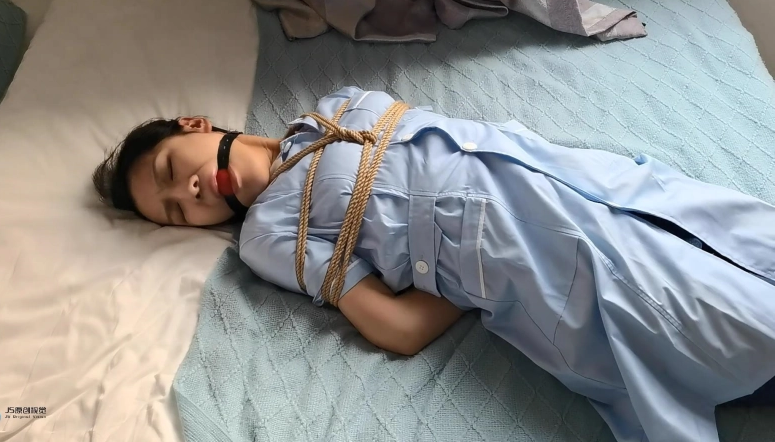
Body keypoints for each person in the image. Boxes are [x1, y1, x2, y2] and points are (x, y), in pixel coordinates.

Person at [93, 87, 775, 442]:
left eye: (171, 171)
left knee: (727, 237)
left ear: (193, 126)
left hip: (570, 180)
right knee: (698, 317)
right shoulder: (268, 236)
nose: (189, 193)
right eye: (175, 213)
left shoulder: (338, 107)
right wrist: (468, 264)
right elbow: (397, 327)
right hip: (523, 256)